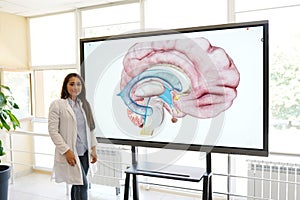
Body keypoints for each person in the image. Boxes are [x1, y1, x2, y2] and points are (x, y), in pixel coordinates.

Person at [48, 73, 98, 200]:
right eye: (72, 84)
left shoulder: (85, 105)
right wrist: (67, 151)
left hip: (84, 152)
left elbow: (90, 129)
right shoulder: (58, 105)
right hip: (71, 152)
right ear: (65, 86)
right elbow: (53, 131)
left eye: (78, 84)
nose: (75, 87)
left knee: (78, 185)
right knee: (82, 185)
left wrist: (93, 149)